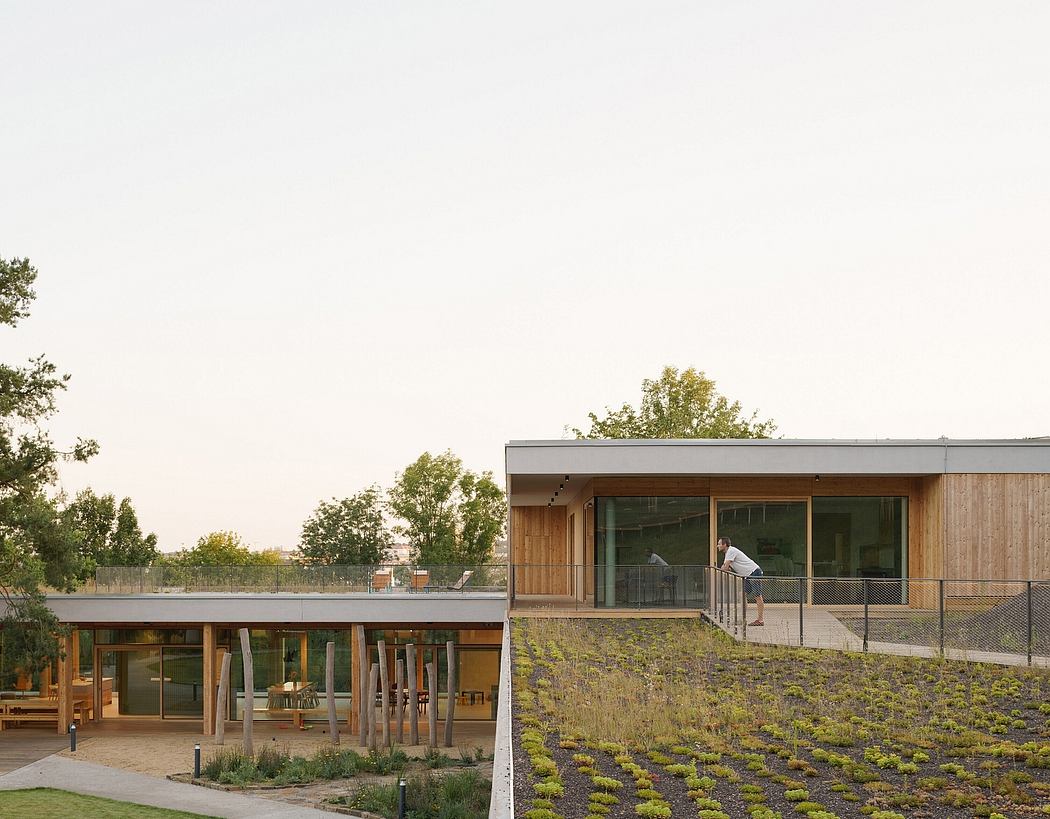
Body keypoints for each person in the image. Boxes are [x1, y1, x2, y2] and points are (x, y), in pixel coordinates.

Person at [716, 536, 764, 626]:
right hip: (747, 575)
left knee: (757, 596)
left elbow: (725, 568)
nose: (717, 546)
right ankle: (743, 619)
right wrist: (725, 567)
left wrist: (724, 568)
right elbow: (726, 567)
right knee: (741, 594)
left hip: (754, 572)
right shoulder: (728, 553)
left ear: (724, 545)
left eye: (719, 544)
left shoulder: (730, 551)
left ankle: (760, 620)